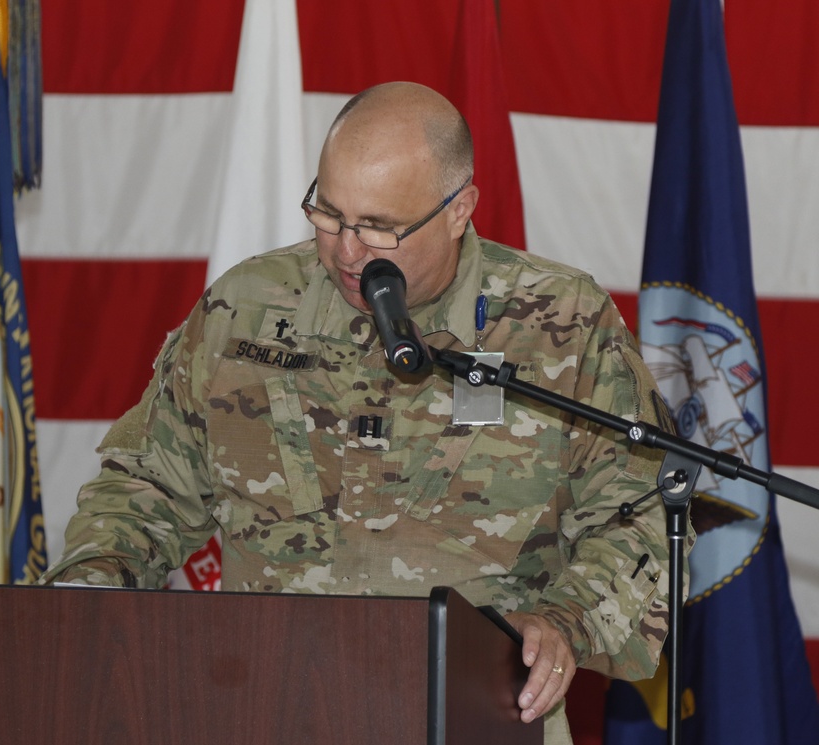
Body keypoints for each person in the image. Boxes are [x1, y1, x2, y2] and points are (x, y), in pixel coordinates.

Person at [40, 81, 689, 744]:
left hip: (476, 720)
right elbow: (142, 486)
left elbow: (644, 511)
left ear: (459, 209)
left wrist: (568, 621)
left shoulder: (561, 325)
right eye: (328, 214)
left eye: (379, 227)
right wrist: (88, 596)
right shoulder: (247, 310)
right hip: (259, 709)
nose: (347, 251)